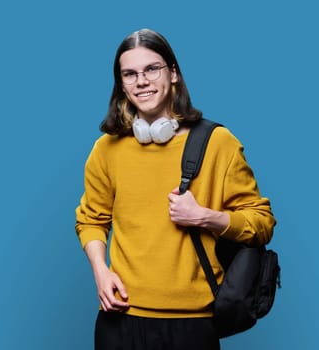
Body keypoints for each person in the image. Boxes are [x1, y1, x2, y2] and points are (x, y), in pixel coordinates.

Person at [75, 28, 276, 350]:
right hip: (120, 319)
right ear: (122, 85)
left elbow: (262, 224)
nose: (141, 81)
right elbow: (91, 220)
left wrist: (206, 217)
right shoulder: (106, 149)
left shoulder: (217, 143)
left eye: (151, 69)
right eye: (130, 74)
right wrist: (101, 271)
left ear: (173, 74)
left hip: (193, 323)